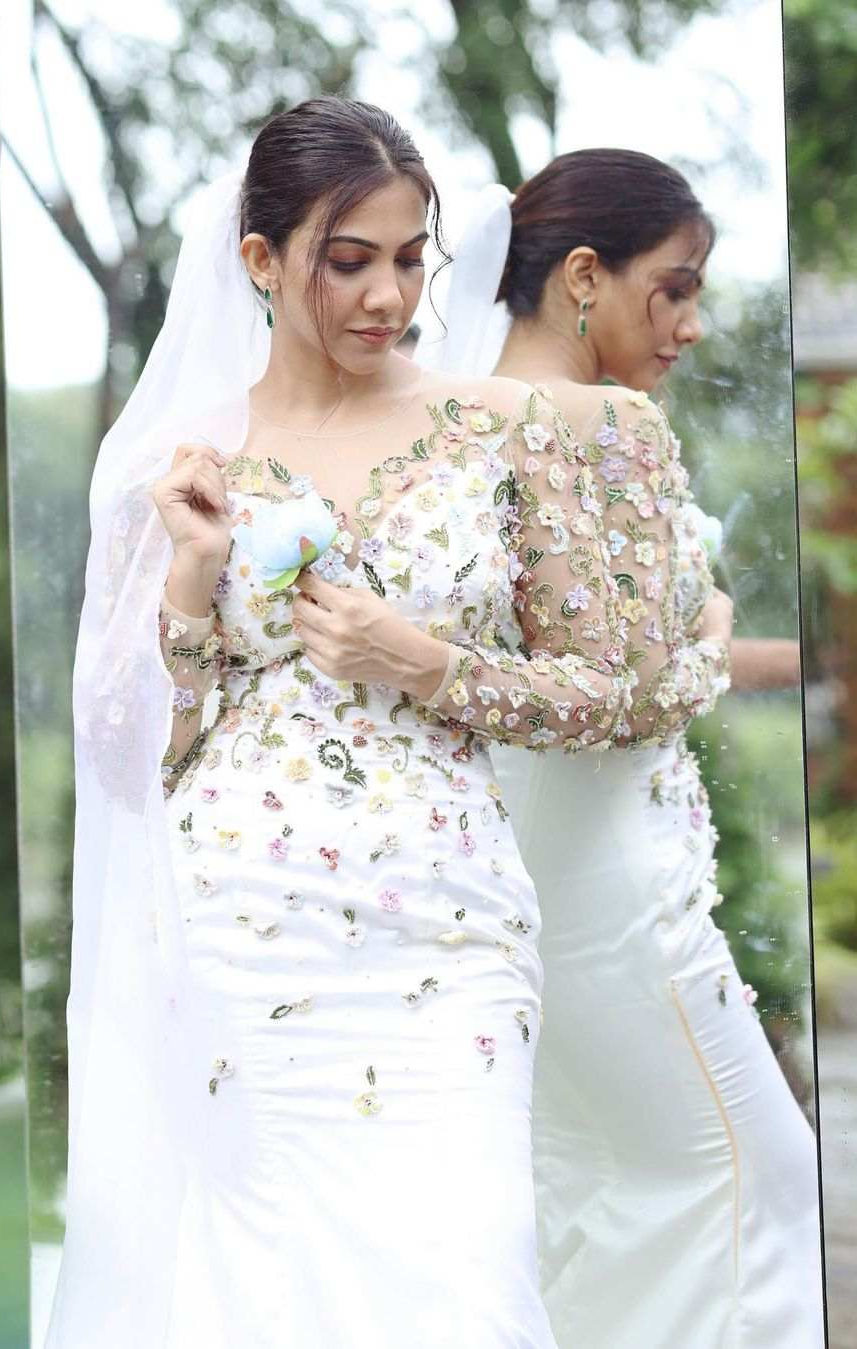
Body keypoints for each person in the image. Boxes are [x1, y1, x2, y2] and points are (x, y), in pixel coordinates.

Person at [49, 97, 639, 1348]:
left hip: (451, 929)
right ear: (261, 260)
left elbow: (606, 690)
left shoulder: (502, 430)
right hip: (242, 930)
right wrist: (191, 574)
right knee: (265, 1291)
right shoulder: (177, 463)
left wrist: (426, 663)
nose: (390, 295)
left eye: (412, 257)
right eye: (350, 260)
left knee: (470, 1269)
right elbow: (119, 752)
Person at [422, 149, 824, 1347]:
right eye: (676, 288)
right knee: (757, 1174)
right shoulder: (609, 422)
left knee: (602, 1186)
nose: (691, 326)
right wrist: (711, 637)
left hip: (512, 870)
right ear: (585, 275)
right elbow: (628, 697)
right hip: (619, 880)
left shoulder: (440, 416)